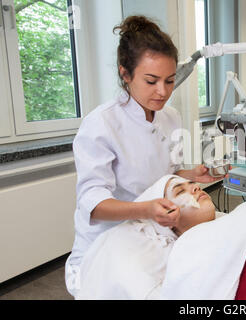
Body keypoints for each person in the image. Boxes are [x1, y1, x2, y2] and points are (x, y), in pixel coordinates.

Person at [64, 16, 221, 297]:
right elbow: (94, 204)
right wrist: (147, 209)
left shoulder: (170, 117)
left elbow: (163, 174)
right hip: (109, 245)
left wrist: (192, 175)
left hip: (155, 234)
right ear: (125, 74)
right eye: (151, 81)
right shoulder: (101, 124)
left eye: (170, 81)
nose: (162, 92)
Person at [73, 174, 220, 300]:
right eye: (180, 192)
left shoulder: (229, 222)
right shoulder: (137, 266)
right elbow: (90, 201)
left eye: (193, 184)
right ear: (164, 220)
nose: (197, 187)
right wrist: (145, 210)